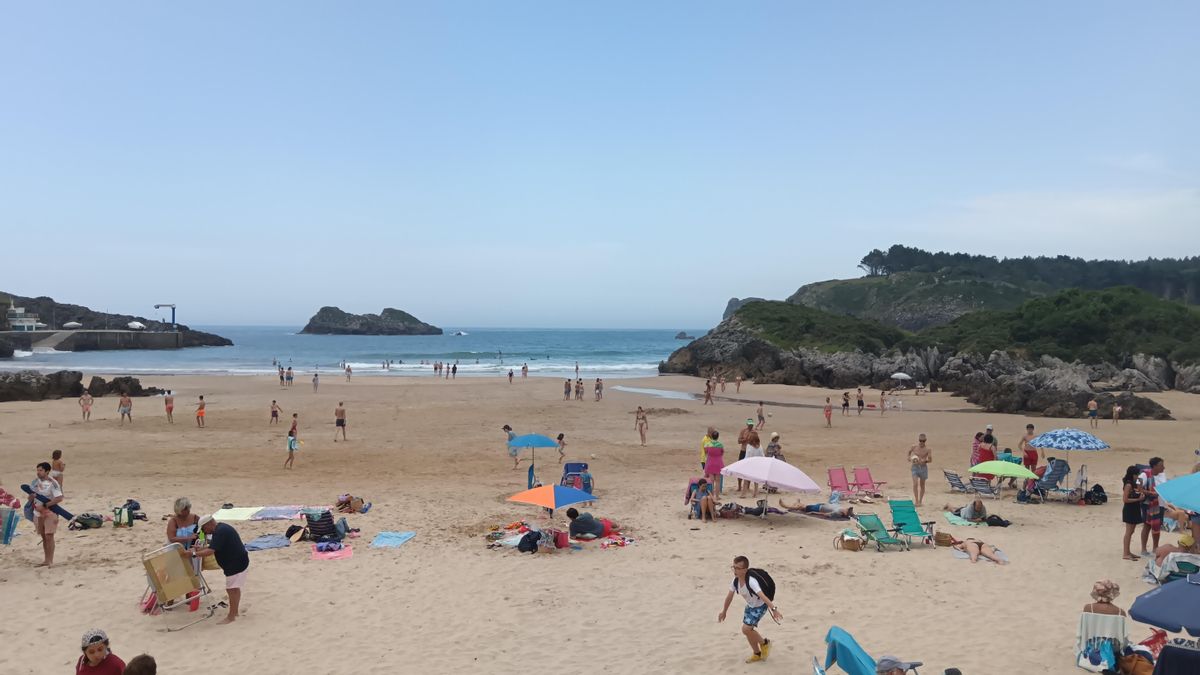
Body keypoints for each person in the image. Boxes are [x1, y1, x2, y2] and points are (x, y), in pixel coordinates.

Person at [718, 555, 782, 663]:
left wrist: (774, 609)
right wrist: (724, 611)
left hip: (760, 607)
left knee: (746, 629)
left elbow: (763, 596)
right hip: (750, 607)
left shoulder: (752, 582)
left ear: (745, 570)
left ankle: (764, 643)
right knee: (748, 631)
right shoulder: (735, 581)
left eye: (738, 568)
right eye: (733, 567)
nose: (735, 570)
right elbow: (729, 597)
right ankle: (757, 653)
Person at [192, 515, 249, 624]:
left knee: (232, 589)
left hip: (236, 564)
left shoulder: (220, 532)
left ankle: (231, 616)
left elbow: (210, 551)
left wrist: (194, 553)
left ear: (209, 524)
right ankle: (234, 612)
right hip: (237, 562)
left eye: (204, 529)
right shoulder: (221, 528)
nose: (205, 532)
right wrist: (200, 549)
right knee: (233, 588)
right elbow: (214, 546)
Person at [27, 461, 64, 567]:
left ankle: (50, 560)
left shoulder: (53, 483)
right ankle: (46, 560)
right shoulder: (34, 482)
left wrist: (46, 505)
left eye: (41, 470)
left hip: (50, 512)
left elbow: (59, 498)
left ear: (47, 471)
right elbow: (30, 497)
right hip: (37, 513)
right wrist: (31, 498)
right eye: (37, 470)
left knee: (49, 536)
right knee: (43, 536)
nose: (38, 472)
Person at [1140, 457, 1167, 556]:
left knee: (1157, 526)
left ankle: (1155, 548)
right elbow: (1138, 487)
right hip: (1148, 504)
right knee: (1147, 526)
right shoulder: (1144, 474)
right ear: (1155, 466)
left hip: (1160, 504)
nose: (1163, 467)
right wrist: (1150, 492)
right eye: (1161, 465)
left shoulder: (1163, 475)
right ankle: (1143, 549)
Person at [1121, 465, 1146, 561]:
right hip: (1129, 509)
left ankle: (1128, 551)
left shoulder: (1135, 483)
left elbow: (1140, 489)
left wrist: (1140, 481)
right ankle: (1125, 553)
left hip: (1135, 508)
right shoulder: (1128, 485)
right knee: (1128, 532)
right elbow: (1125, 499)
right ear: (1133, 475)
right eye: (1137, 475)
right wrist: (1138, 499)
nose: (1138, 476)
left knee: (1131, 531)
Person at [909, 434, 932, 506]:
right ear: (919, 440)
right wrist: (909, 458)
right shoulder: (914, 447)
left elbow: (930, 460)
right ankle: (916, 501)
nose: (922, 442)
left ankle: (920, 501)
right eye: (920, 441)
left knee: (922, 485)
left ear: (925, 441)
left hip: (923, 468)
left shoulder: (928, 449)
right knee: (915, 483)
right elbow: (909, 452)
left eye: (923, 441)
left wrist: (925, 461)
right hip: (915, 467)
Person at [703, 431, 725, 500]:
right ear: (718, 437)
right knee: (718, 481)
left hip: (710, 462)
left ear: (711, 436)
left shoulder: (707, 444)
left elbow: (706, 452)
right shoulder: (720, 445)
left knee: (711, 480)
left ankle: (711, 495)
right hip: (718, 463)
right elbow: (722, 453)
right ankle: (717, 496)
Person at [778, 498, 854, 518]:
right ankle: (797, 503)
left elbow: (826, 514)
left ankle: (785, 506)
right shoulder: (841, 508)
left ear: (845, 513)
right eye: (848, 508)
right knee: (804, 506)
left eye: (847, 510)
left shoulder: (837, 512)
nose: (846, 508)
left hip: (817, 509)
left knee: (801, 507)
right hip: (820, 505)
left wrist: (814, 513)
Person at [737, 419, 755, 495]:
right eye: (750, 425)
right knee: (740, 469)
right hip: (743, 451)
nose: (751, 426)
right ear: (747, 424)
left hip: (750, 452)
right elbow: (738, 441)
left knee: (749, 469)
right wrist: (745, 439)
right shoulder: (743, 431)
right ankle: (739, 486)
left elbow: (756, 441)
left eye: (752, 425)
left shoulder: (754, 432)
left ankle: (747, 486)